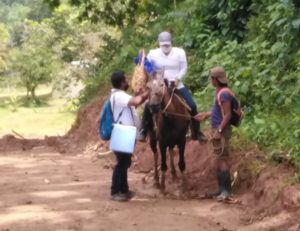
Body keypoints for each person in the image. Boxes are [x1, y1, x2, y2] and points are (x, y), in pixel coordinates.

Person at [139, 31, 207, 143]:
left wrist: (177, 78)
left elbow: (184, 67)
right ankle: (143, 130)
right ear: (159, 44)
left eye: (167, 45)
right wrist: (143, 63)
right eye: (163, 45)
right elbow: (147, 68)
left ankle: (196, 132)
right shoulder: (153, 54)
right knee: (148, 105)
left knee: (192, 105)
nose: (166, 47)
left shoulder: (180, 52)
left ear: (171, 43)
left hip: (176, 84)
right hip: (159, 86)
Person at [195, 66, 233, 200]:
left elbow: (227, 115)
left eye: (212, 78)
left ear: (216, 80)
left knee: (222, 159)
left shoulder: (224, 94)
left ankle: (226, 191)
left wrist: (219, 130)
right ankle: (220, 189)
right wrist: (206, 115)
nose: (211, 81)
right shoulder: (219, 92)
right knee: (218, 159)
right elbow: (219, 111)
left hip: (221, 130)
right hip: (217, 128)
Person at [109, 70, 148, 202]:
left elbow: (133, 104)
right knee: (121, 163)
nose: (127, 82)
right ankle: (115, 191)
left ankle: (124, 190)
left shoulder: (120, 95)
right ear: (121, 83)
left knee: (125, 162)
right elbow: (136, 101)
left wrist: (140, 95)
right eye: (125, 80)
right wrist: (148, 92)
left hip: (125, 132)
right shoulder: (119, 96)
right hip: (123, 132)